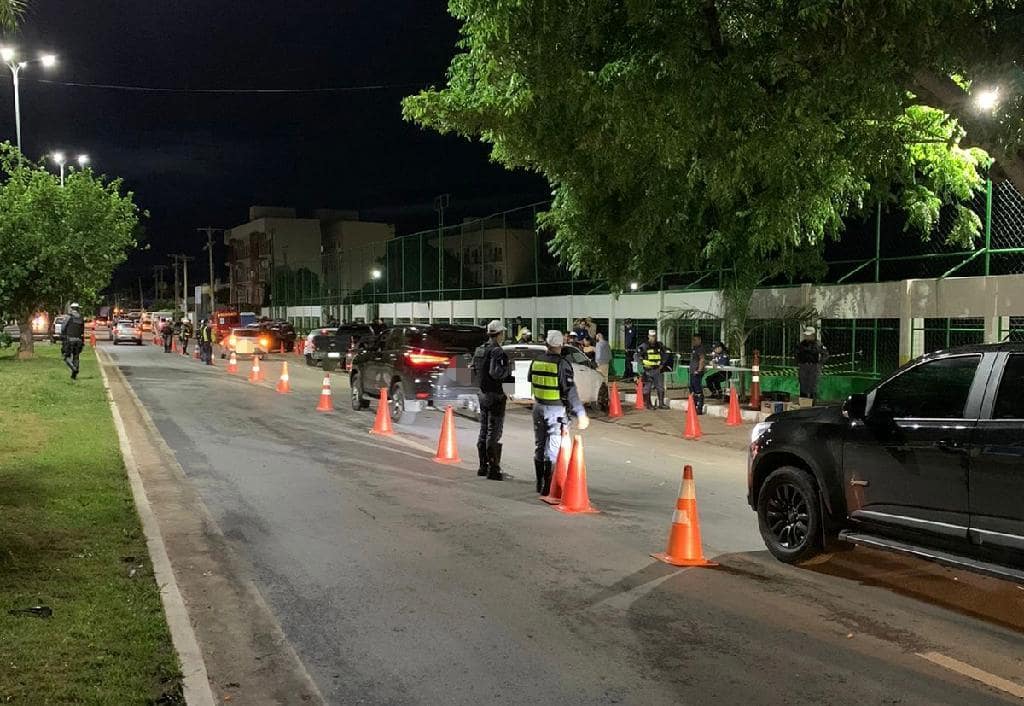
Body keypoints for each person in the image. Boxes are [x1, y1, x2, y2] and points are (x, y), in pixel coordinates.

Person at [530, 330, 589, 494]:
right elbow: (570, 391)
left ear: (547, 344)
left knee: (539, 445)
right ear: (561, 346)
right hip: (555, 409)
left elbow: (531, 379)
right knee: (554, 447)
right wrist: (580, 413)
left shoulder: (536, 361)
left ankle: (539, 483)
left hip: (538, 407)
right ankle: (549, 487)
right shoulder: (562, 364)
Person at [472, 320, 511, 480]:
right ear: (499, 334)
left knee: (484, 430)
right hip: (495, 394)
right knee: (493, 433)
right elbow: (496, 373)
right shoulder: (497, 351)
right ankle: (493, 469)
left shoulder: (480, 349)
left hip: (482, 393)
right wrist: (508, 370)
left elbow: (473, 369)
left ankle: (482, 466)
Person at [636, 329, 670, 409]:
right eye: (651, 336)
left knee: (660, 387)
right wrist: (642, 365)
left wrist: (662, 364)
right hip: (648, 370)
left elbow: (665, 354)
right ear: (648, 336)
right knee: (647, 387)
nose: (653, 338)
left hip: (658, 369)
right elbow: (637, 355)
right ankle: (648, 404)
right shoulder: (644, 346)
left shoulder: (660, 345)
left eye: (654, 336)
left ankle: (661, 404)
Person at [796, 327, 828, 400]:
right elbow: (796, 354)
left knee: (812, 385)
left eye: (809, 335)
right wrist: (799, 362)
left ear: (813, 335)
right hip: (803, 366)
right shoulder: (801, 344)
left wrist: (820, 363)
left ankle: (812, 403)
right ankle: (803, 402)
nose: (807, 337)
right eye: (806, 335)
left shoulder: (818, 344)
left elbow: (825, 354)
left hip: (814, 367)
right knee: (803, 385)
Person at [62, 303, 85, 380]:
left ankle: (73, 368)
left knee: (66, 357)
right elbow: (82, 331)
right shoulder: (81, 318)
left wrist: (63, 336)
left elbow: (63, 328)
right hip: (78, 340)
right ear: (78, 309)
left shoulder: (68, 317)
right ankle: (74, 376)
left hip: (69, 340)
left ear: (71, 308)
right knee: (76, 357)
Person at [689, 333, 707, 414]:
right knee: (692, 389)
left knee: (698, 390)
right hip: (692, 371)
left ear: (699, 340)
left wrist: (699, 370)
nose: (694, 341)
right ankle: (693, 406)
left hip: (697, 372)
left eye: (695, 340)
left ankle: (699, 408)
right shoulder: (694, 348)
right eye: (693, 340)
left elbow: (702, 360)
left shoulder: (700, 349)